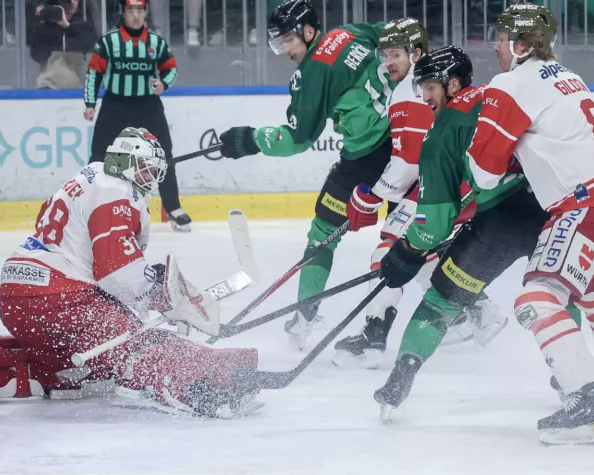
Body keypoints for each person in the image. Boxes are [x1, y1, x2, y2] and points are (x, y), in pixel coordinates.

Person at [463, 4, 594, 445]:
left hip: (589, 204)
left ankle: (587, 401)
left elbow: (483, 174)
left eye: (502, 36)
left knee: (537, 298)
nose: (494, 45)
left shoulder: (512, 83)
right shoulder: (564, 74)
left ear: (524, 44)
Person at [0, 127, 260, 418]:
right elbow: (116, 272)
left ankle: (30, 374)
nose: (150, 179)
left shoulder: (91, 176)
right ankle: (202, 386)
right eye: (145, 171)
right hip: (59, 300)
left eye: (153, 173)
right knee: (136, 345)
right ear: (124, 163)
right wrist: (161, 298)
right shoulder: (115, 190)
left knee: (92, 355)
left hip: (16, 299)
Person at [367, 46, 552, 422]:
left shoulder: (441, 134)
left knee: (440, 300)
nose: (424, 97)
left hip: (497, 226)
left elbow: (434, 223)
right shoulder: (496, 96)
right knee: (564, 295)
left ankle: (401, 378)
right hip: (548, 208)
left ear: (453, 84)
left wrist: (406, 251)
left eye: (430, 87)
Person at [216, 0, 395, 350]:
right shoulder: (350, 32)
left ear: (308, 31)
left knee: (322, 234)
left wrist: (249, 139)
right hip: (404, 145)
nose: (285, 49)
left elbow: (296, 140)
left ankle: (305, 314)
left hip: (365, 160)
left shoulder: (312, 73)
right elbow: (395, 35)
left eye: (287, 40)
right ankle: (476, 311)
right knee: (413, 234)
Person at [332, 19, 507, 367]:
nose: (389, 61)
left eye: (396, 53)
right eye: (385, 55)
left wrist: (372, 195)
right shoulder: (427, 87)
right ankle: (476, 311)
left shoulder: (413, 92)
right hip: (459, 186)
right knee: (420, 253)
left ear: (416, 53)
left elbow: (411, 159)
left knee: (392, 247)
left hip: (446, 187)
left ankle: (373, 336)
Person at [83, 0, 192, 232]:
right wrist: (90, 103)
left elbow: (171, 68)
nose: (135, 15)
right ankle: (87, 205)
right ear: (124, 13)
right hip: (115, 103)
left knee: (163, 155)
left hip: (147, 105)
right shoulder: (108, 42)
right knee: (99, 156)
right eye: (131, 10)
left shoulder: (156, 42)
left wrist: (164, 83)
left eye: (139, 10)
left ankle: (173, 208)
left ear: (145, 13)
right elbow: (94, 73)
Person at [27, 0, 96, 90]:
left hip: (78, 82)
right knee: (56, 59)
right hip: (49, 83)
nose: (70, 3)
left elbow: (90, 44)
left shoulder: (84, 22)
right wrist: (42, 21)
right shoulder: (47, 25)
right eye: (66, 1)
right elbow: (36, 55)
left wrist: (68, 26)